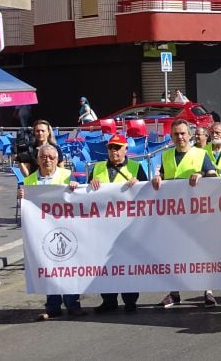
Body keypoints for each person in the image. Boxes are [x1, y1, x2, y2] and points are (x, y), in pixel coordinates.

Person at [152, 119, 216, 308]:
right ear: (171, 137)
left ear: (189, 135)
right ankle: (174, 292)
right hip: (174, 214)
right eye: (176, 134)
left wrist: (202, 175)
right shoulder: (166, 156)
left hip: (196, 212)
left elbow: (214, 176)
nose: (180, 137)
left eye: (183, 133)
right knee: (173, 253)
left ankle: (208, 290)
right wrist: (158, 177)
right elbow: (163, 176)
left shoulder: (201, 154)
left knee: (200, 252)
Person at [20, 144, 83, 320]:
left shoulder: (66, 176)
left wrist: (76, 186)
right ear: (37, 159)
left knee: (69, 268)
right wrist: (22, 197)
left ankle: (73, 304)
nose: (47, 160)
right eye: (43, 157)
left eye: (51, 157)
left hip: (67, 228)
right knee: (49, 268)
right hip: (43, 231)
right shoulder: (29, 181)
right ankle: (53, 306)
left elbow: (79, 198)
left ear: (57, 159)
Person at [90, 134, 147, 313]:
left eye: (117, 147)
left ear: (125, 149)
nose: (113, 151)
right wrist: (90, 183)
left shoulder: (135, 167)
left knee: (128, 263)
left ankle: (130, 300)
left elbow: (147, 193)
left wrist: (138, 184)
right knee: (104, 265)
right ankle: (109, 300)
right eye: (111, 148)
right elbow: (84, 196)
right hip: (103, 225)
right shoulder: (97, 167)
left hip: (127, 226)